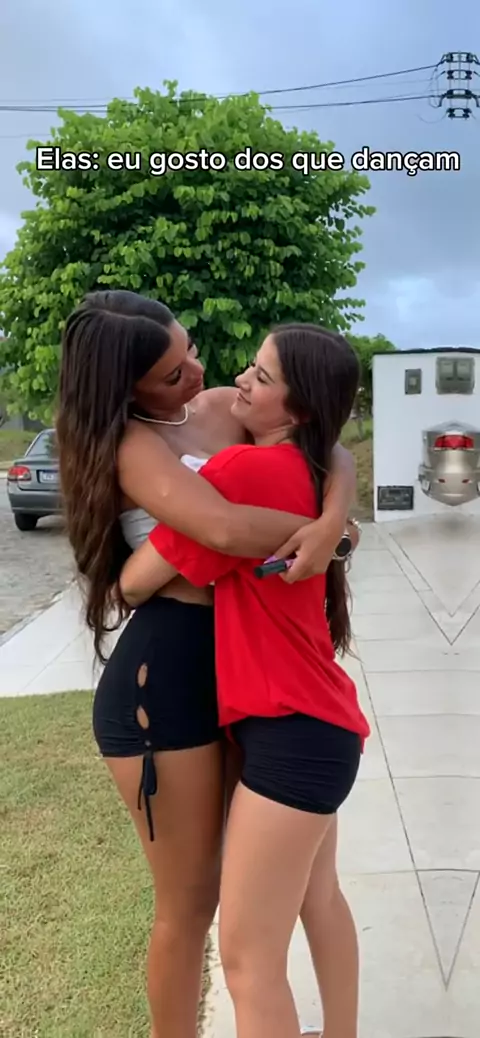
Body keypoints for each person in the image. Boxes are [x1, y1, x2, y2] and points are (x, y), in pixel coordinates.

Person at [57, 291, 357, 1038]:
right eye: (172, 373)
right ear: (127, 388)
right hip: (165, 681)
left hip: (244, 675)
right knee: (189, 905)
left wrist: (333, 521)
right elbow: (217, 529)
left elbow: (326, 441)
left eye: (188, 350)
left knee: (269, 898)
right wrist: (324, 531)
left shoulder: (226, 405)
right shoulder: (128, 442)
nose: (198, 373)